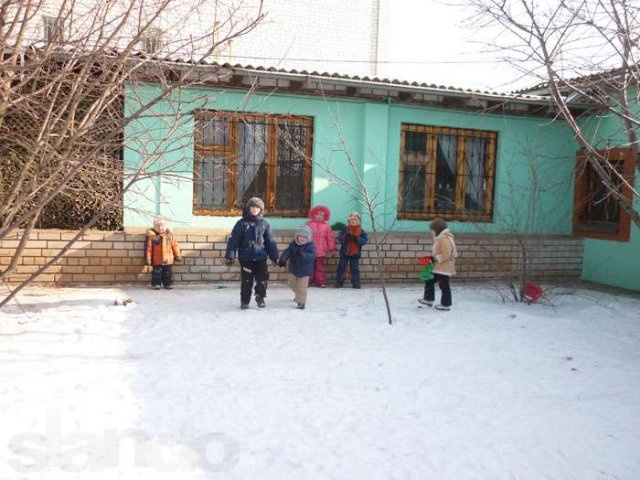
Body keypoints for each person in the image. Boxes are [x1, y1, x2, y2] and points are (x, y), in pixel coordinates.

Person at [225, 197, 279, 309]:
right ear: (248, 208)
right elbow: (234, 240)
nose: (255, 209)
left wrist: (274, 256)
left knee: (262, 279)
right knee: (246, 281)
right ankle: (244, 301)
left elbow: (270, 241)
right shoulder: (241, 224)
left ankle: (260, 297)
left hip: (261, 258)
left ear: (261, 209)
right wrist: (230, 255)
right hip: (246, 259)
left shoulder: (264, 224)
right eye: (253, 207)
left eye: (257, 207)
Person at [418, 218, 457, 311]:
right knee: (428, 279)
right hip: (439, 267)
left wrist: (435, 258)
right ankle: (428, 299)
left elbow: (447, 253)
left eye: (432, 231)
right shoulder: (441, 238)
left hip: (444, 268)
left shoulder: (443, 239)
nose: (431, 233)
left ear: (437, 230)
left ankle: (445, 304)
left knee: (444, 285)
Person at [278, 225, 316, 309]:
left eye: (304, 237)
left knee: (302, 287)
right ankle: (298, 294)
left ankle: (301, 302)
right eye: (300, 236)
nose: (302, 238)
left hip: (305, 271)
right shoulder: (293, 245)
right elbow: (287, 252)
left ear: (308, 238)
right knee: (291, 283)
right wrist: (283, 259)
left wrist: (304, 255)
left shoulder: (310, 246)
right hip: (293, 269)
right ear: (297, 236)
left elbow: (312, 256)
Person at [145, 215, 182, 290]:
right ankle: (156, 284)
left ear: (166, 227)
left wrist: (177, 255)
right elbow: (149, 248)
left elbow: (175, 246)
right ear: (155, 227)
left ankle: (167, 284)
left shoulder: (170, 236)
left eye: (162, 226)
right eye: (158, 226)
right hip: (157, 259)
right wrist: (148, 258)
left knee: (167, 273)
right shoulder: (152, 237)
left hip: (168, 259)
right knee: (156, 273)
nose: (160, 228)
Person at [305, 205, 337, 288]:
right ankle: (308, 281)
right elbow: (304, 236)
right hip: (310, 250)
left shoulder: (326, 226)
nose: (319, 216)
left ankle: (321, 282)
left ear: (325, 216)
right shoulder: (309, 224)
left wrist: (332, 248)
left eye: (322, 215)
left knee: (320, 267)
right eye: (318, 214)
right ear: (313, 214)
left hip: (321, 251)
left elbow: (329, 238)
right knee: (309, 266)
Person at [335, 212, 368, 289]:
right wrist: (345, 236)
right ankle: (339, 282)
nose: (353, 221)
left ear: (358, 221)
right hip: (344, 252)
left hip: (355, 253)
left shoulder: (361, 231)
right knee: (341, 267)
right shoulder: (345, 229)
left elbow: (363, 240)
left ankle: (356, 283)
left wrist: (356, 238)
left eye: (355, 220)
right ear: (349, 221)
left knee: (354, 269)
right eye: (351, 220)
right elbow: (340, 237)